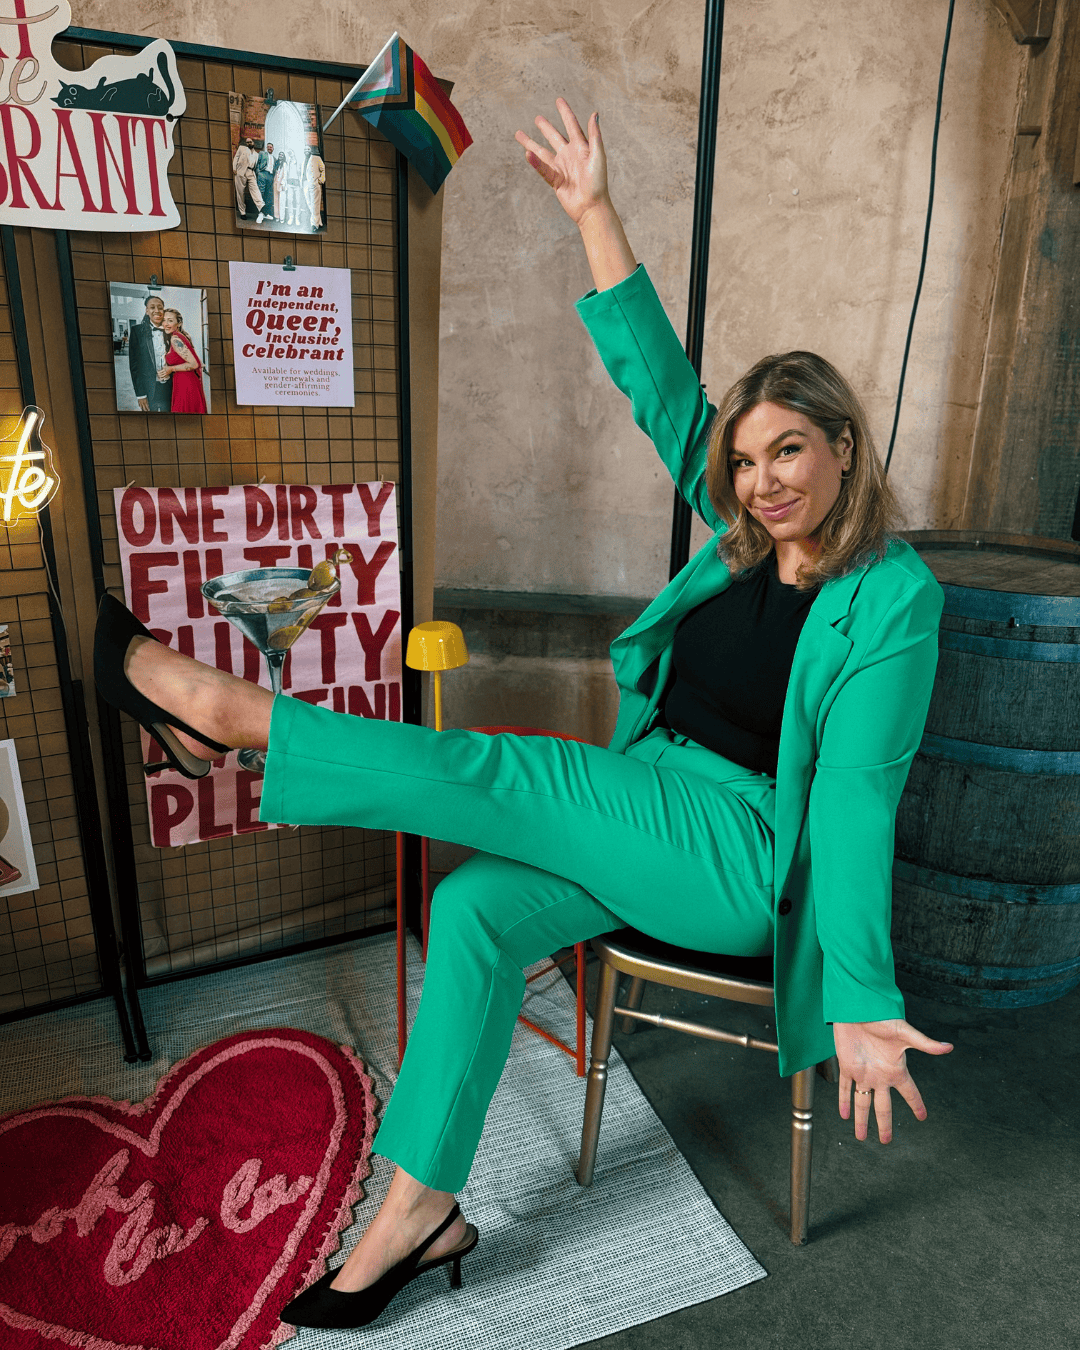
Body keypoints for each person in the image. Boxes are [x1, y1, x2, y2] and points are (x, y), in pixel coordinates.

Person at [94, 98, 953, 1331]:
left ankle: (236, 716)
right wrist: (594, 211)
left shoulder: (894, 597)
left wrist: (862, 994)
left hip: (747, 853)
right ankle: (421, 1208)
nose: (763, 482)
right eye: (747, 459)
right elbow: (662, 388)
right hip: (656, 799)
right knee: (474, 910)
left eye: (791, 453)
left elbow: (860, 795)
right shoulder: (743, 529)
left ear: (846, 450)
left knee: (504, 771)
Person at [155, 308, 207, 414]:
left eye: (170, 320)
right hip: (183, 381)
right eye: (164, 320)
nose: (166, 324)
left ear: (178, 323)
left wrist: (171, 369)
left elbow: (194, 364)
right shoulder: (180, 336)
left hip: (185, 384)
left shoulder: (175, 339)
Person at [127, 294, 170, 413]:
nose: (157, 311)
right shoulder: (137, 331)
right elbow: (134, 366)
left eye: (160, 308)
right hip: (149, 389)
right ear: (147, 311)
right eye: (152, 307)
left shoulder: (171, 330)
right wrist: (140, 394)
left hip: (170, 388)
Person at [232, 137, 266, 223]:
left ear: (253, 142)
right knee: (240, 193)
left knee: (255, 189)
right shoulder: (242, 148)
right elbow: (236, 157)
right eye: (247, 142)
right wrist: (234, 168)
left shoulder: (256, 154)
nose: (249, 143)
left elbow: (256, 166)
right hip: (241, 172)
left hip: (251, 172)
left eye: (250, 142)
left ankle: (262, 207)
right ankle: (242, 212)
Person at [304, 145, 325, 230]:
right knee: (309, 203)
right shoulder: (304, 159)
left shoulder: (316, 158)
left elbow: (322, 168)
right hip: (305, 184)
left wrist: (321, 179)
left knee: (315, 204)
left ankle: (314, 224)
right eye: (305, 149)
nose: (306, 150)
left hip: (314, 183)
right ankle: (319, 222)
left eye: (308, 149)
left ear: (311, 150)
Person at [255, 142, 276, 220]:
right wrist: (258, 173)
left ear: (273, 148)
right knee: (261, 192)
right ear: (266, 148)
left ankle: (265, 213)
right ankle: (260, 213)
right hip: (263, 173)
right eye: (268, 147)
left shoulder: (275, 158)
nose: (269, 148)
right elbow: (257, 163)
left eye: (271, 147)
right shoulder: (262, 153)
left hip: (270, 176)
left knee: (268, 194)